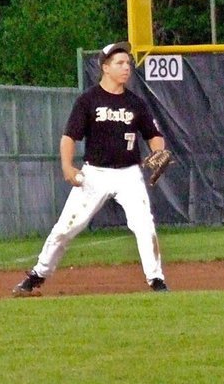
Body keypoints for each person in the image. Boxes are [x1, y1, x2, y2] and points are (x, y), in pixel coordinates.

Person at [13, 41, 169, 296]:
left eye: (127, 63)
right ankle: (37, 275)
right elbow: (69, 137)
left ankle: (156, 280)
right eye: (119, 63)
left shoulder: (135, 103)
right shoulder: (89, 100)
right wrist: (67, 166)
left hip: (129, 175)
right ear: (105, 67)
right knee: (66, 228)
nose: (126, 67)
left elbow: (154, 135)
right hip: (94, 174)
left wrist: (158, 151)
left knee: (144, 225)